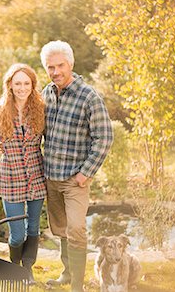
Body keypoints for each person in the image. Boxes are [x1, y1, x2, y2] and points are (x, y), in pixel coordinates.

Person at [40, 40, 113, 292]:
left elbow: (104, 137)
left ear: (71, 64)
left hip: (74, 179)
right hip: (51, 177)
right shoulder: (46, 93)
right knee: (60, 229)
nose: (56, 71)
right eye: (50, 67)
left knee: (77, 229)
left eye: (60, 65)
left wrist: (86, 172)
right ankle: (67, 274)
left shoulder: (88, 96)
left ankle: (78, 286)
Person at [0, 63, 47, 284]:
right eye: (17, 83)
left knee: (33, 228)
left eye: (26, 83)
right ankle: (16, 270)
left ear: (32, 85)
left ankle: (28, 270)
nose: (22, 88)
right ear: (10, 86)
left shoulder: (40, 109)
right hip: (11, 178)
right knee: (17, 234)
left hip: (35, 176)